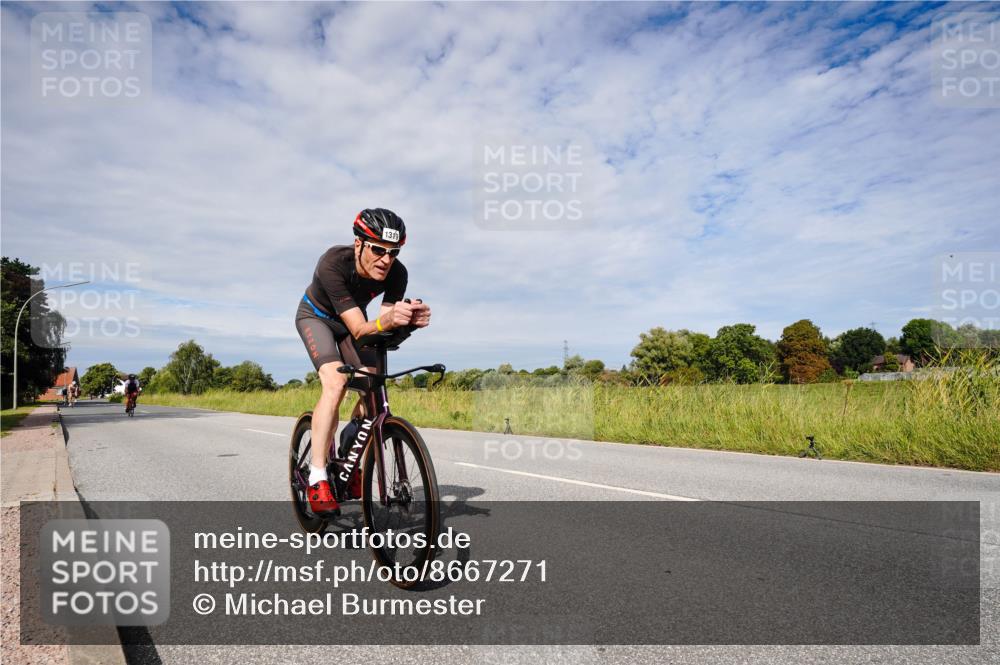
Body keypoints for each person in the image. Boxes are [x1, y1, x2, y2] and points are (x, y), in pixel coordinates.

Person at [295, 208, 431, 514]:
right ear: (359, 245)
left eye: (393, 252)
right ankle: (317, 477)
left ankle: (349, 448)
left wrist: (407, 323)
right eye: (378, 250)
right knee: (336, 382)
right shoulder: (333, 263)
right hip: (317, 318)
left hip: (353, 323)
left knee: (372, 385)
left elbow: (382, 329)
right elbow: (359, 328)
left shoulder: (398, 274)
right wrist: (391, 321)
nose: (386, 260)